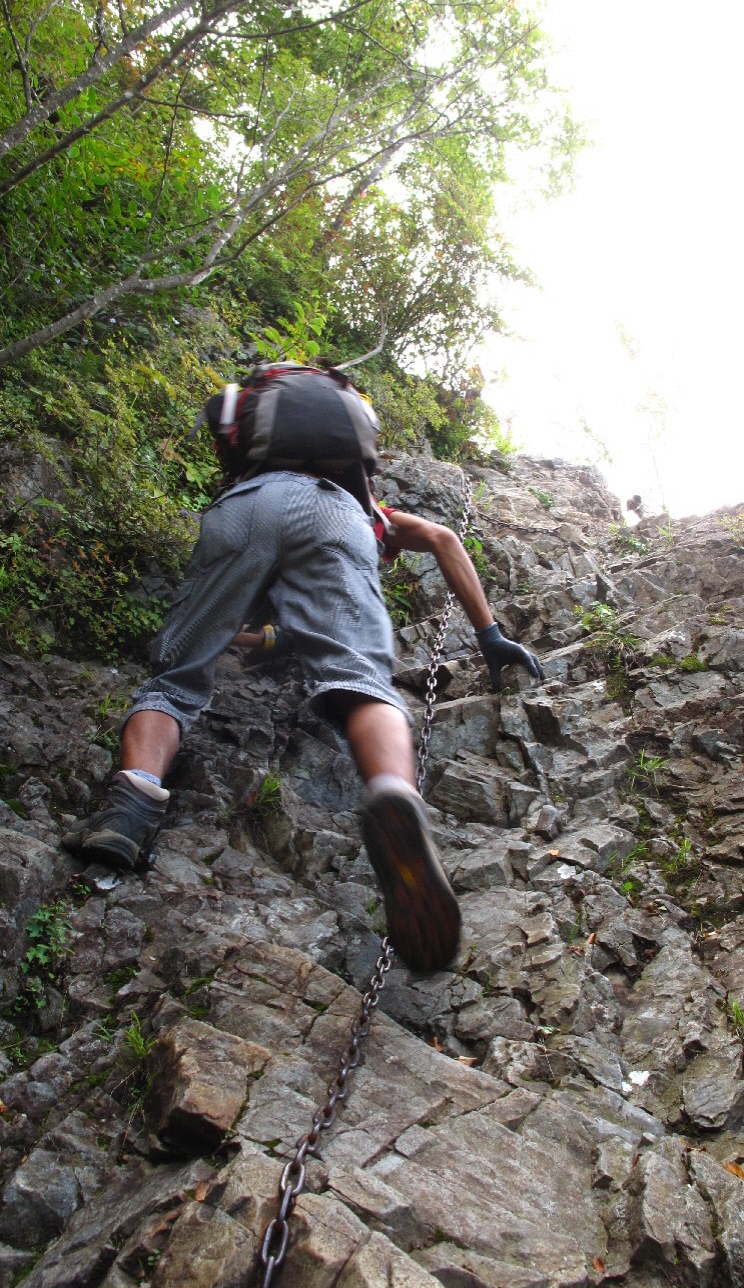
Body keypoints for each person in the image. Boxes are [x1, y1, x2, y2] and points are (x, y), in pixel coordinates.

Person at [62, 381, 544, 974]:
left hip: (244, 507)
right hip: (333, 517)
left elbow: (257, 628)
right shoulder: (373, 516)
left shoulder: (263, 468)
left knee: (175, 681)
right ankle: (394, 794)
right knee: (362, 680)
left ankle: (129, 809)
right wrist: (489, 634)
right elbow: (443, 538)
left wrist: (225, 637)